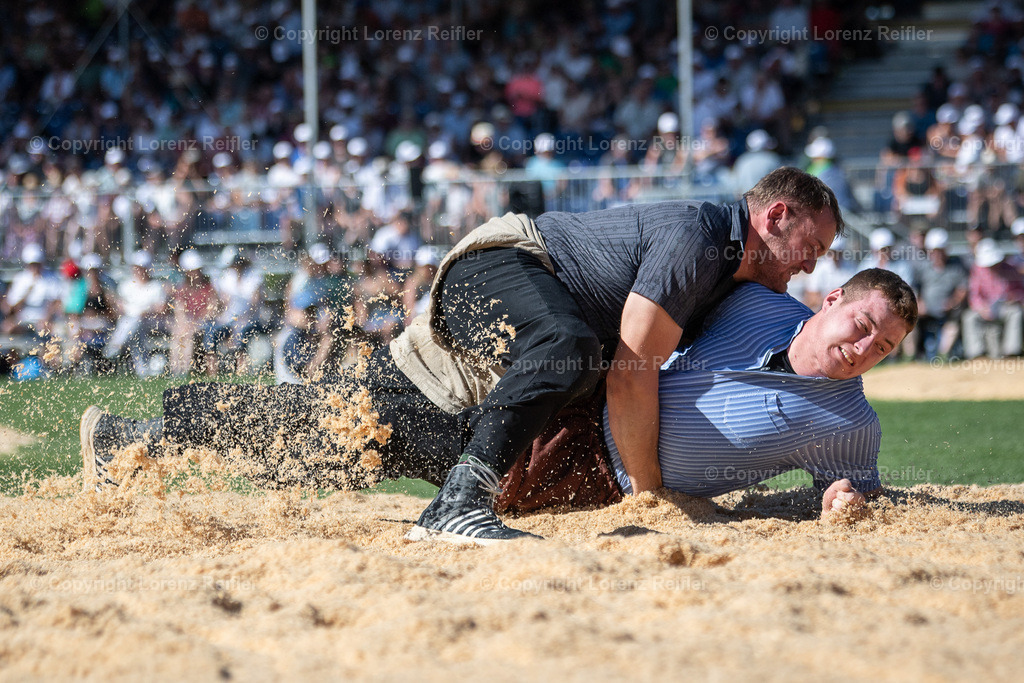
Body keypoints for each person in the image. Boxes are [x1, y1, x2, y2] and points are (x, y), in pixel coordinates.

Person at [83, 168, 843, 544]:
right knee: (573, 349)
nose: (812, 265)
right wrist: (649, 493)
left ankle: (130, 439)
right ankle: (455, 506)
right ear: (777, 215)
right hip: (500, 266)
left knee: (336, 439)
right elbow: (629, 376)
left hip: (464, 363)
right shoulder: (700, 237)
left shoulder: (727, 279)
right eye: (813, 245)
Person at [79, 269, 915, 530]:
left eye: (883, 347)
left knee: (372, 434)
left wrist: (841, 497)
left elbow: (854, 492)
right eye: (864, 323)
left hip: (600, 474)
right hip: (576, 398)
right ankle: (150, 433)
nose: (863, 347)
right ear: (834, 296)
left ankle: (148, 434)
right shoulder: (756, 303)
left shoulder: (849, 420)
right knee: (374, 427)